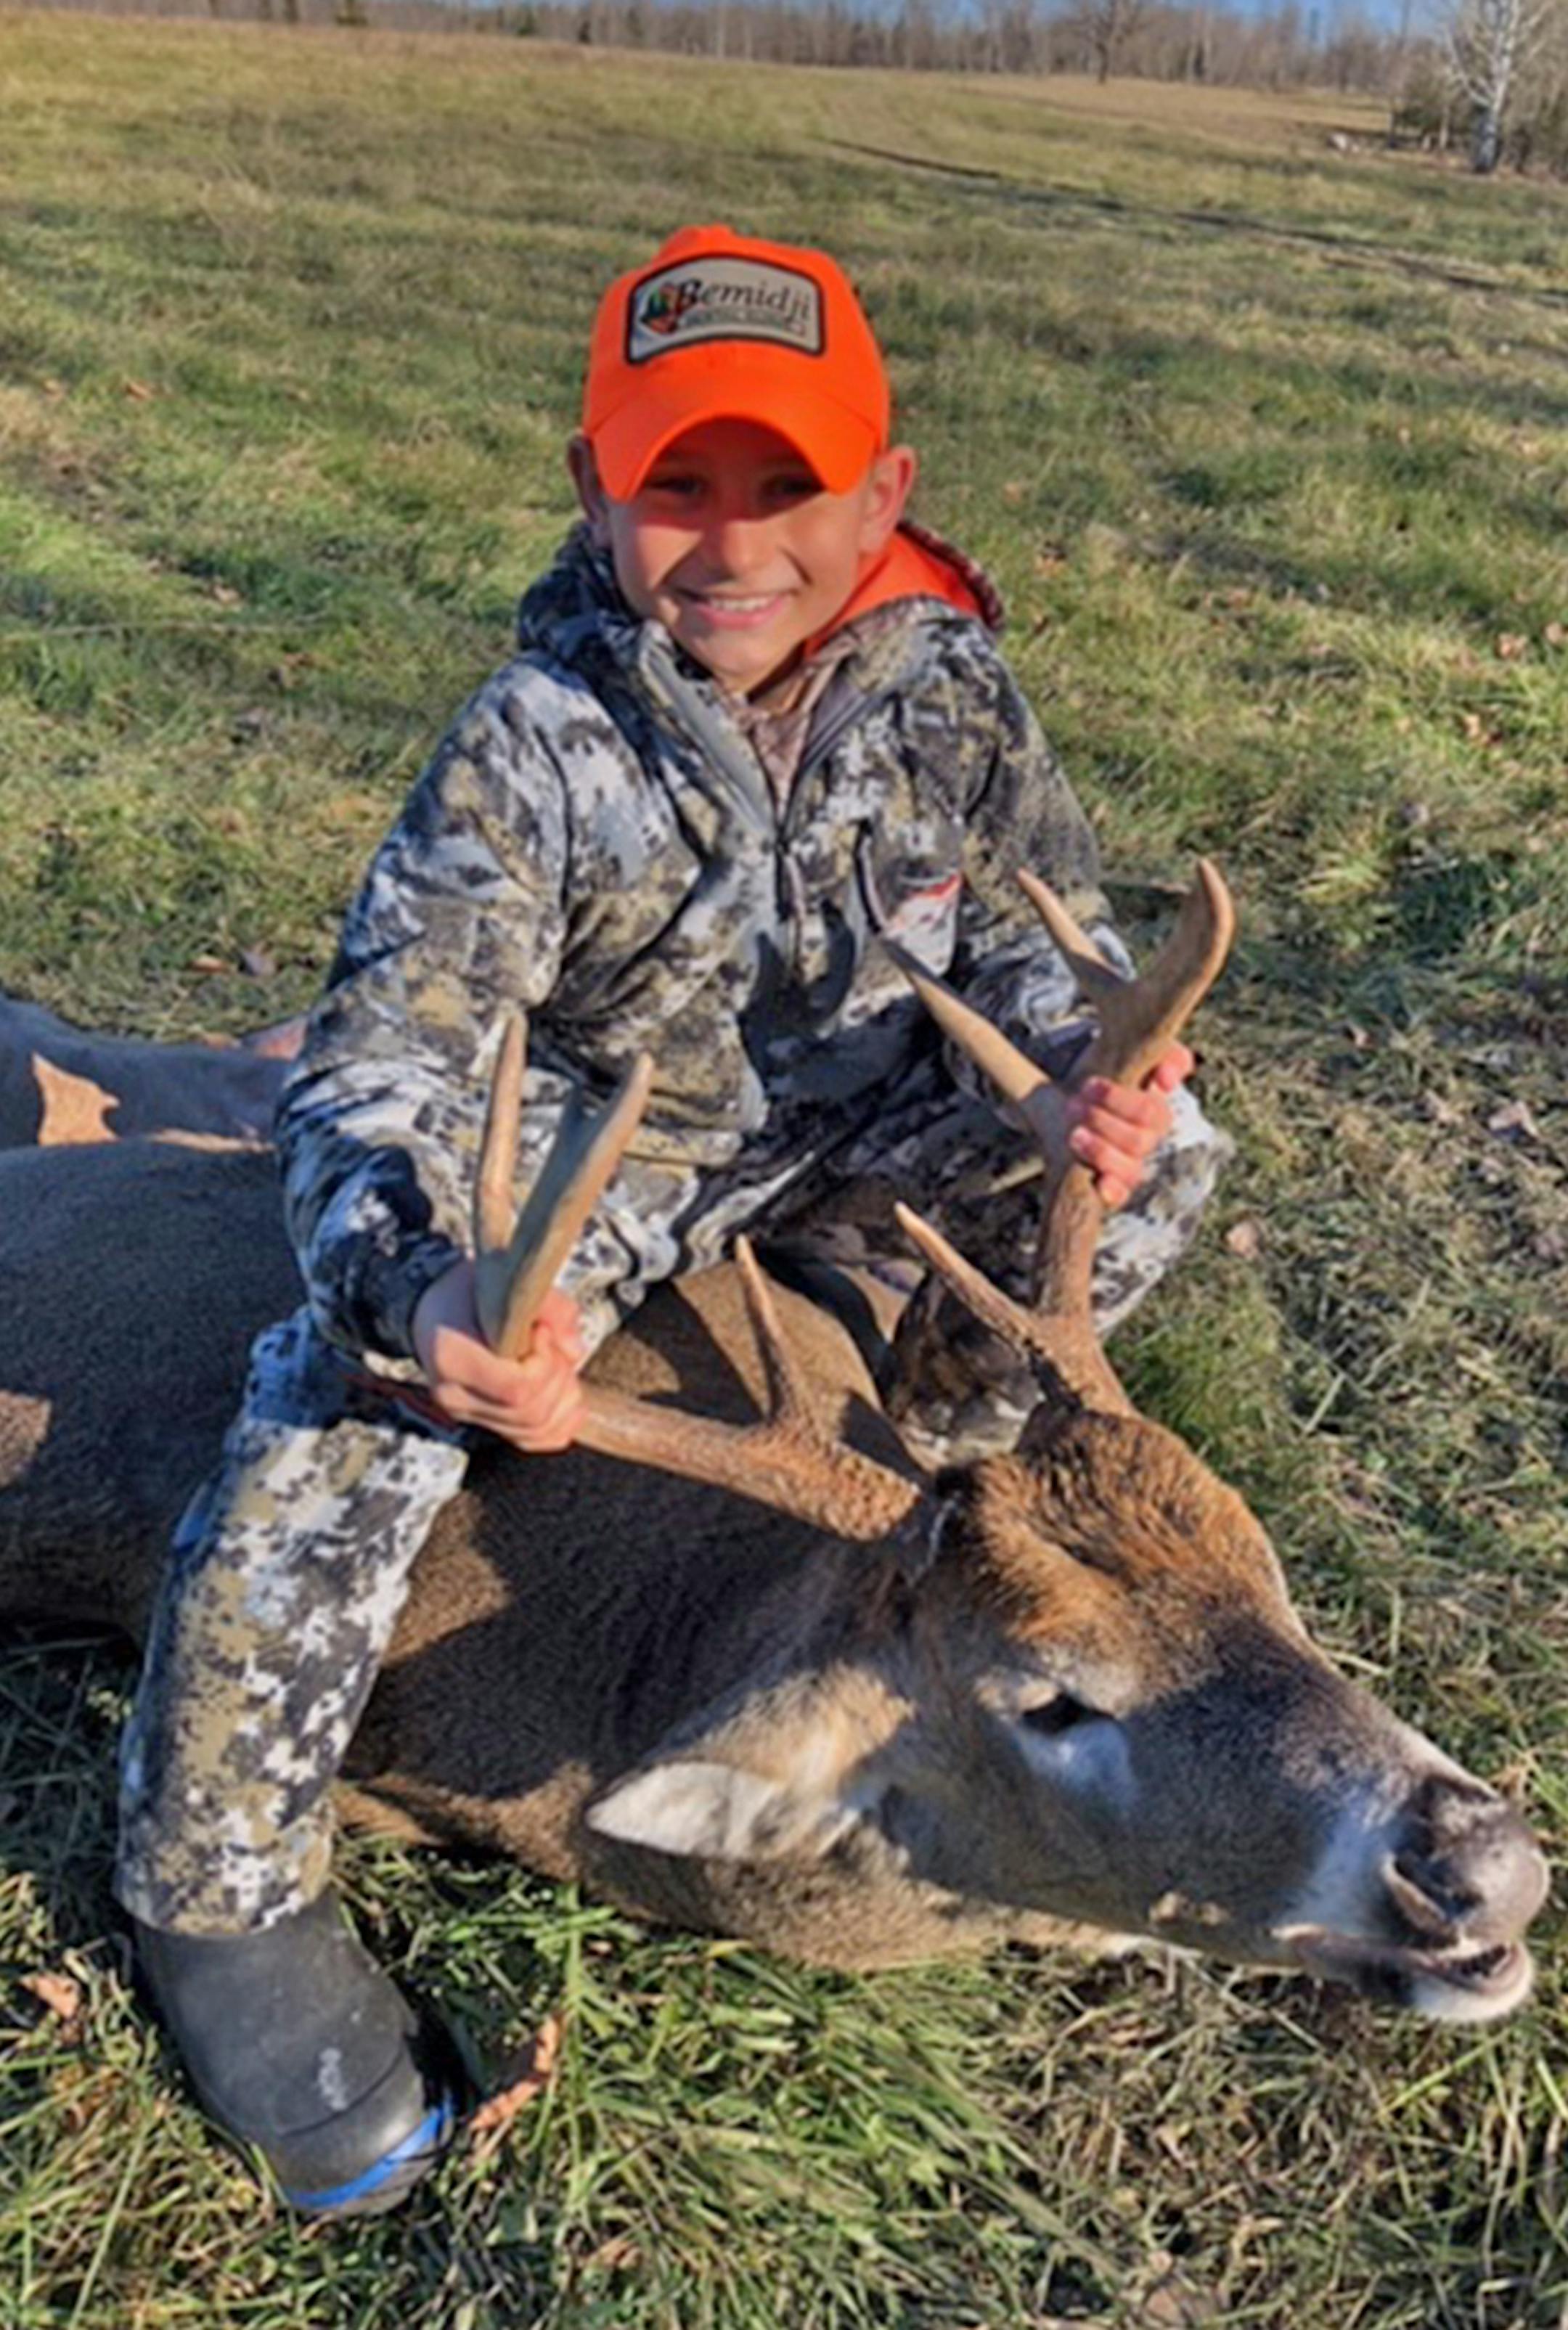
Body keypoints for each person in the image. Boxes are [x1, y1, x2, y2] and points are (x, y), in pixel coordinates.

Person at [117, 224, 1227, 2217]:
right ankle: (217, 1884)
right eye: (673, 486)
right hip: (610, 1146)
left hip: (872, 1127)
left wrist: (1091, 1090)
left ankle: (925, 1420)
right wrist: (425, 1278)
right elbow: (380, 1069)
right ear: (594, 493)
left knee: (1162, 1176)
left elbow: (1055, 952)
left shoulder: (953, 695)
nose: (731, 543)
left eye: (785, 486)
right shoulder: (535, 747)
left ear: (882, 496)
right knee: (341, 1408)